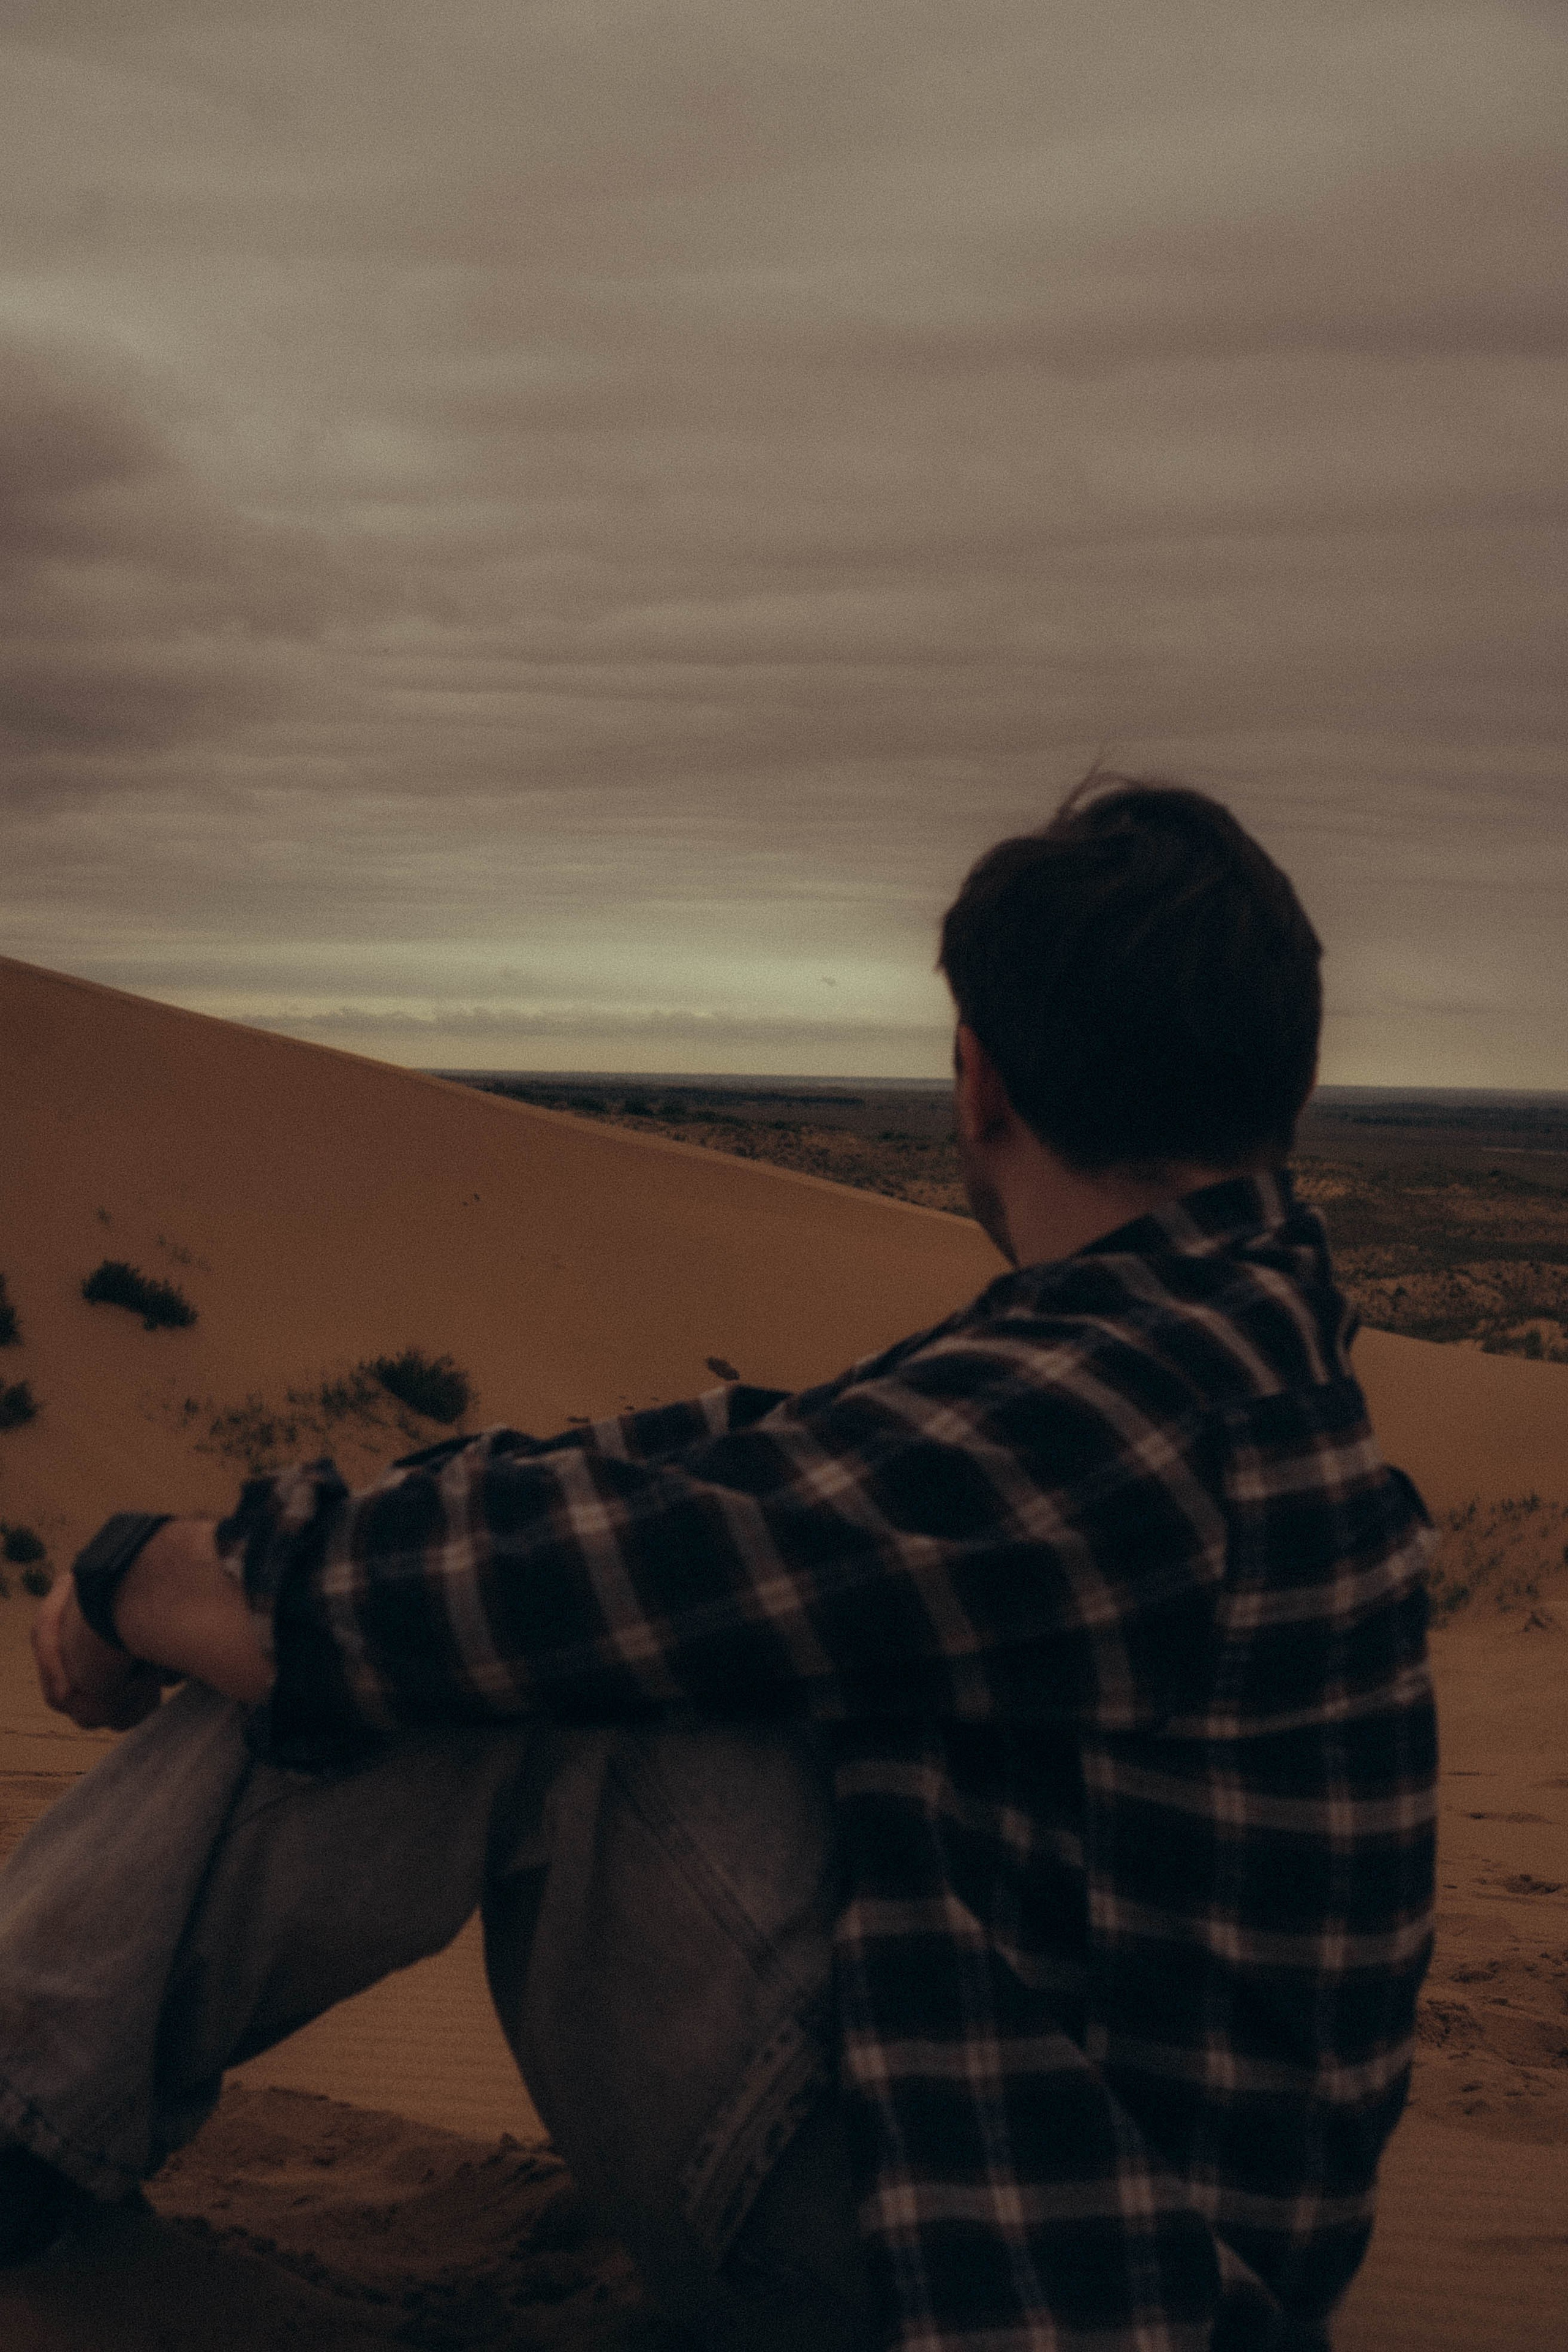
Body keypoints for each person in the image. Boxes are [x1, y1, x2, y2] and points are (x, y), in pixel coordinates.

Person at [3, 776, 1437, 2352]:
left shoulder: (1134, 1412)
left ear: (979, 1084)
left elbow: (567, 1586)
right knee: (511, 1590)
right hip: (1061, 2214)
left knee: (512, 1659)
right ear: (1278, 1096)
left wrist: (147, 1579)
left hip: (1016, 2276)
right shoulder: (1209, 1344)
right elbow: (740, 1471)